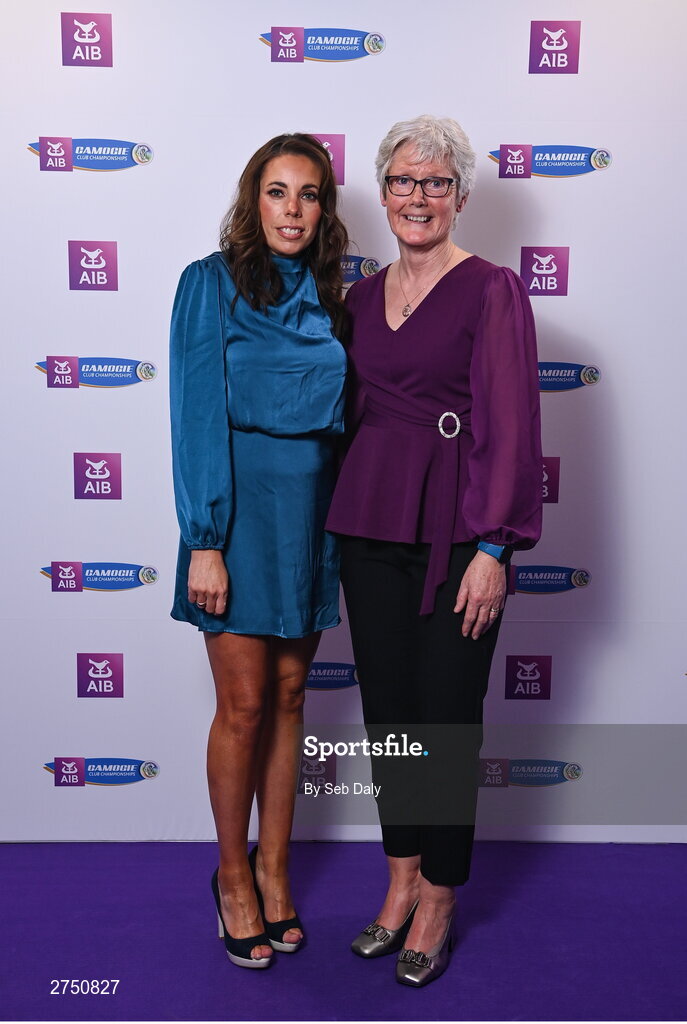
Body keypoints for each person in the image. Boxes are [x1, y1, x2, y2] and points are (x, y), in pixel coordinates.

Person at [326, 114, 543, 987]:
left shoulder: (491, 288)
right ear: (382, 194)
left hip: (459, 532)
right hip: (369, 526)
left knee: (444, 724)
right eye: (404, 182)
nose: (418, 197)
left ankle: (443, 893)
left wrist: (495, 544)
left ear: (460, 196)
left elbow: (512, 422)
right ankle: (399, 880)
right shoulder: (357, 296)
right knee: (393, 723)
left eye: (436, 183)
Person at [169, 133, 348, 969]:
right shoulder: (206, 286)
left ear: (324, 209)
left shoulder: (335, 292)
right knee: (241, 707)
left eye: (307, 195)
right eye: (276, 193)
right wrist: (204, 541)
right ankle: (231, 876)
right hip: (237, 520)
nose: (292, 210)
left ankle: (276, 870)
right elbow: (196, 414)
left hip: (311, 521)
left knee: (288, 700)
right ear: (253, 200)